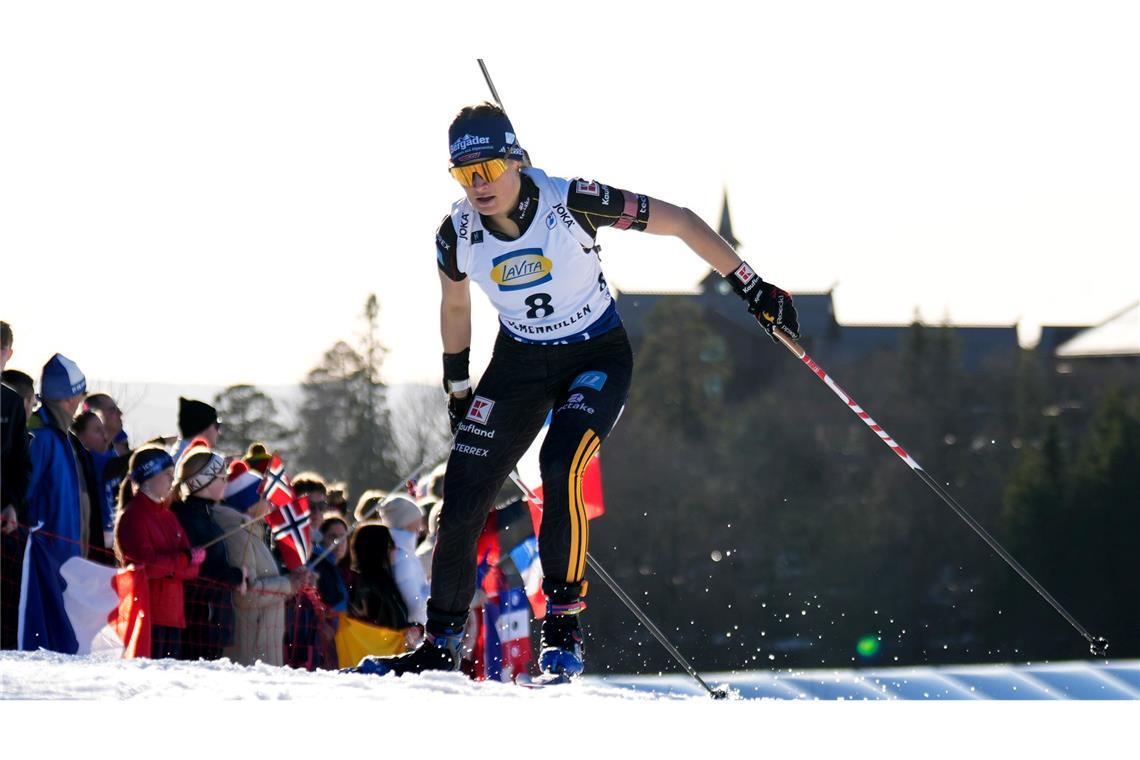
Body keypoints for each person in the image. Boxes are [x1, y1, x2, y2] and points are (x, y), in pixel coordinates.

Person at [353, 102, 800, 679]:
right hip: (519, 363)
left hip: (595, 355)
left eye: (488, 168)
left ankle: (563, 627)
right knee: (463, 491)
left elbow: (683, 222)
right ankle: (440, 645)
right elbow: (456, 306)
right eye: (464, 174)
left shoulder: (573, 201)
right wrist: (458, 386)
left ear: (516, 159)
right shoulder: (455, 233)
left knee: (562, 461)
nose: (478, 185)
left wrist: (751, 285)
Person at [114, 446, 205, 659]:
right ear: (148, 476)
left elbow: (192, 569)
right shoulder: (134, 515)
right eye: (167, 474)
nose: (172, 480)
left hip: (174, 614)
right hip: (148, 615)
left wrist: (184, 562)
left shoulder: (168, 516)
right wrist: (184, 560)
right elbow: (146, 566)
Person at [211, 494, 315, 666]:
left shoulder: (253, 534)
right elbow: (245, 594)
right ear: (249, 501)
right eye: (264, 497)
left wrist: (292, 580)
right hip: (250, 648)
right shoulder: (238, 536)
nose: (270, 504)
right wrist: (289, 584)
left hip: (262, 642)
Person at [24, 354, 103, 562]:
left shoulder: (63, 436)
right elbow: (24, 499)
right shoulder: (41, 437)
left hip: (65, 560)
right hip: (47, 562)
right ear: (70, 398)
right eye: (80, 395)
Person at [171, 446, 244, 661]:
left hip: (211, 623)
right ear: (205, 481)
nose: (226, 482)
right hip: (199, 624)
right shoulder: (188, 518)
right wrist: (236, 576)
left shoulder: (206, 516)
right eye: (222, 477)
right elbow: (200, 575)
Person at [0, 322, 30, 649]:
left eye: (1, 349)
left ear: (9, 353)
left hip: (4, 523)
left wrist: (12, 504)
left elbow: (21, 463)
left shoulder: (10, 403)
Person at [376, 495, 429, 631]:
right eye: (416, 520)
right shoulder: (401, 555)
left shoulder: (405, 552)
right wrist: (435, 589)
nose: (421, 526)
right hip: (408, 631)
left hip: (409, 630)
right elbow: (415, 606)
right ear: (406, 522)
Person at [171, 397, 221, 463]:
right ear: (203, 427)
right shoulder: (199, 461)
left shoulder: (174, 458)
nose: (219, 432)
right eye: (217, 425)